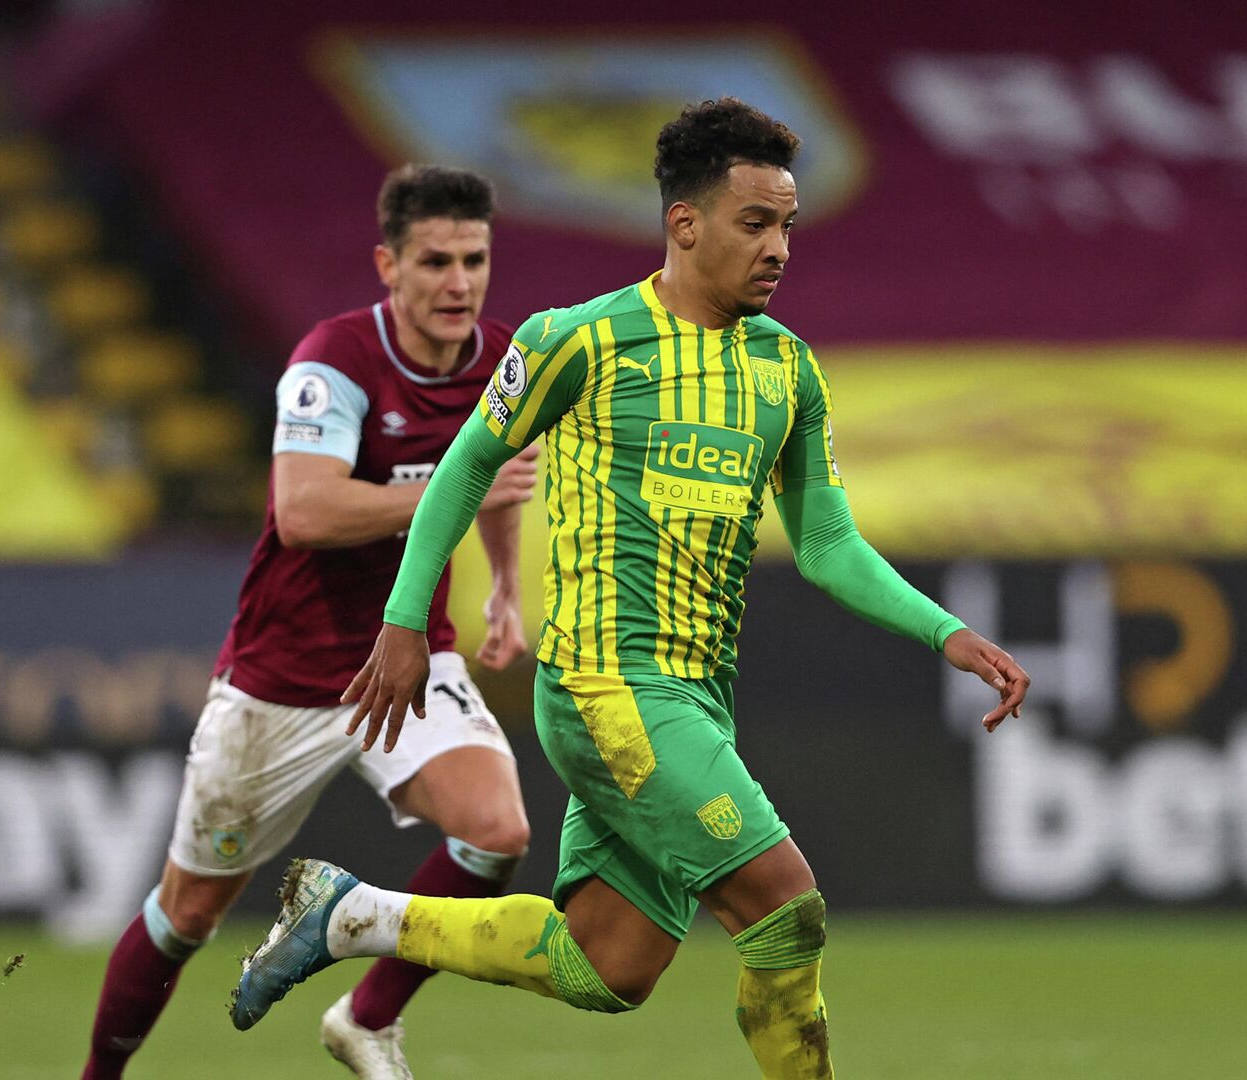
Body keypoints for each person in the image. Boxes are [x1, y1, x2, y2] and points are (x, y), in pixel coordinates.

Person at [228, 99, 1030, 1079]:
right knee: (787, 911)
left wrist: (944, 631)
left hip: (694, 699)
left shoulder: (787, 369)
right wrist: (404, 618)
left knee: (606, 966)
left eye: (788, 225)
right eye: (755, 223)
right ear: (684, 224)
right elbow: (464, 468)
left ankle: (353, 915)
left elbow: (825, 543)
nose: (779, 247)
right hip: (607, 686)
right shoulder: (581, 340)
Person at [80, 164, 540, 1080]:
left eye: (475, 260)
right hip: (282, 682)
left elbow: (499, 473)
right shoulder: (330, 363)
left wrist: (504, 589)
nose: (459, 282)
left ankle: (364, 1020)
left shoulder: (503, 361)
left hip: (405, 657)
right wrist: (442, 485)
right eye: (436, 261)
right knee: (188, 918)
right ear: (388, 265)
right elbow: (306, 512)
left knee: (497, 832)